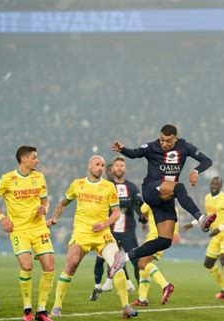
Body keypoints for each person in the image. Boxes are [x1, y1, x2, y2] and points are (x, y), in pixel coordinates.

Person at [109, 124, 216, 278]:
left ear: (176, 138)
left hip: (166, 197)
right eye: (162, 140)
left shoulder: (184, 146)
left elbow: (207, 161)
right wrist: (122, 149)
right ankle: (201, 219)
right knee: (179, 187)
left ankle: (123, 258)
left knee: (165, 241)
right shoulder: (153, 147)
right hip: (151, 189)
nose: (164, 144)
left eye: (168, 141)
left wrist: (195, 171)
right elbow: (134, 153)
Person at [47, 155, 137, 319]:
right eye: (97, 164)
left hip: (103, 234)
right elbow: (62, 203)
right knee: (72, 264)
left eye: (102, 165)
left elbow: (116, 213)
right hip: (82, 233)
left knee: (118, 264)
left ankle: (126, 306)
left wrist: (105, 223)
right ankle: (57, 306)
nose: (100, 167)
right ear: (89, 165)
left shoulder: (109, 187)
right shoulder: (77, 184)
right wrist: (54, 217)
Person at [0, 146, 54, 321]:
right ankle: (27, 308)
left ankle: (41, 309)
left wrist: (44, 209)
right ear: (24, 159)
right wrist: (2, 218)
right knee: (26, 266)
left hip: (39, 228)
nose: (37, 161)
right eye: (34, 157)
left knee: (49, 266)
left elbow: (45, 202)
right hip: (19, 230)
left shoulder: (39, 177)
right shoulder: (8, 179)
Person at [90, 156, 146, 300]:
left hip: (128, 232)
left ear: (125, 168)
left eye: (122, 165)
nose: (119, 168)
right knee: (100, 259)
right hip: (109, 230)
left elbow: (138, 205)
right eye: (117, 165)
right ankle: (97, 286)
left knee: (136, 261)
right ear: (112, 169)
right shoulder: (106, 186)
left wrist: (142, 216)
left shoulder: (132, 187)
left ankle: (141, 295)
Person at [183, 177, 224, 302]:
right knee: (208, 263)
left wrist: (220, 228)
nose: (215, 185)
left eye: (218, 183)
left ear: (221, 186)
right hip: (216, 235)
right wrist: (192, 224)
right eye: (213, 183)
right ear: (210, 184)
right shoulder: (207, 197)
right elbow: (207, 215)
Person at [132, 203, 178, 306]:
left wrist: (145, 216)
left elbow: (143, 209)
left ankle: (165, 285)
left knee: (142, 263)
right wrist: (175, 234)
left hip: (155, 235)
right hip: (165, 236)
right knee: (142, 265)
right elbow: (175, 220)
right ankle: (142, 299)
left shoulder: (152, 198)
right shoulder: (172, 205)